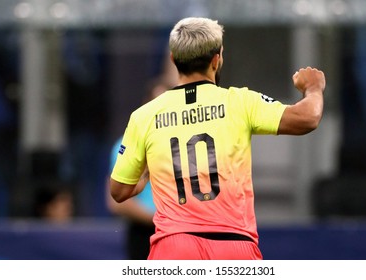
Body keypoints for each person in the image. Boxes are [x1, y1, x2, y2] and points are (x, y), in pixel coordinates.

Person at [110, 17, 325, 260]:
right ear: (217, 59)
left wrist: (147, 173)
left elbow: (118, 192)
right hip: (233, 245)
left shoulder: (144, 116)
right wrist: (313, 88)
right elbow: (308, 117)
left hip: (174, 248)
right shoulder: (240, 102)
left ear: (173, 59)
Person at [106, 76, 176, 260]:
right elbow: (116, 201)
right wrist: (158, 218)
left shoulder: (186, 145)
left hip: (181, 233)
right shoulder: (125, 145)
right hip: (143, 233)